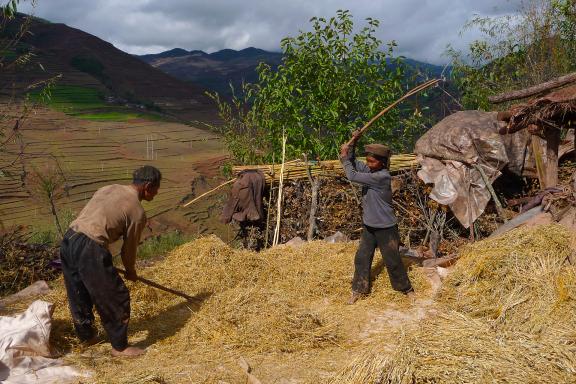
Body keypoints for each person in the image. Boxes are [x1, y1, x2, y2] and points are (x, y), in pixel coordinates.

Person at [59, 165, 161, 357]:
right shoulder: (137, 211)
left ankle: (86, 337)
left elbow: (96, 215)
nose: (157, 193)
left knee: (79, 291)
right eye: (156, 189)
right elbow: (128, 249)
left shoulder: (109, 188)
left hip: (69, 239)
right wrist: (131, 271)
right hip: (90, 246)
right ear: (148, 186)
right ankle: (120, 347)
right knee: (116, 296)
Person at [340, 135, 413, 304]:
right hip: (369, 225)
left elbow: (351, 174)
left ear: (381, 162)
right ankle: (358, 289)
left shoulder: (381, 177)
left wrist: (344, 157)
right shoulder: (371, 170)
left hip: (386, 227)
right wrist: (353, 144)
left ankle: (406, 288)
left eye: (372, 161)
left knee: (392, 260)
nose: (368, 164)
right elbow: (352, 162)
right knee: (362, 258)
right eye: (367, 161)